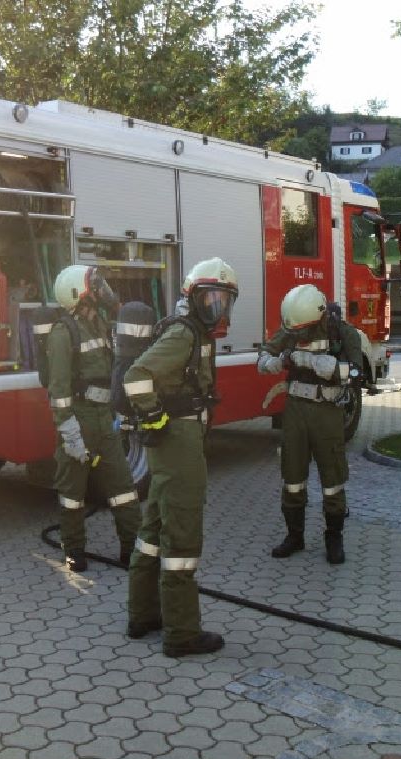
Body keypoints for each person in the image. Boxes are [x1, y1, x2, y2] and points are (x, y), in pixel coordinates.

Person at [123, 257, 238, 658]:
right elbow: (136, 376)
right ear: (193, 296)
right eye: (210, 298)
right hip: (179, 442)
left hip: (173, 442)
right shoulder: (184, 334)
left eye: (224, 300)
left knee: (154, 528)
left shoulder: (192, 332)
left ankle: (143, 615)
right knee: (183, 532)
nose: (217, 307)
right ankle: (182, 632)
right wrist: (153, 415)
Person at [257, 284, 362, 565]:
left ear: (318, 316)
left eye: (303, 330)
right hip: (295, 412)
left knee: (332, 479)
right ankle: (295, 536)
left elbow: (355, 373)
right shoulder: (292, 327)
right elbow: (263, 358)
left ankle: (334, 537)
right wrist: (276, 362)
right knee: (292, 478)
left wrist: (318, 363)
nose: (298, 335)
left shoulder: (342, 333)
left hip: (327, 412)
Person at [47, 264, 140, 573]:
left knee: (123, 487)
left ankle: (132, 548)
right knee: (73, 493)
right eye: (95, 286)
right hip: (79, 419)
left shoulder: (100, 324)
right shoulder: (63, 333)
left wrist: (118, 411)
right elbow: (58, 390)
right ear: (79, 294)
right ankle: (74, 549)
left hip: (104, 418)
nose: (102, 291)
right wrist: (69, 430)